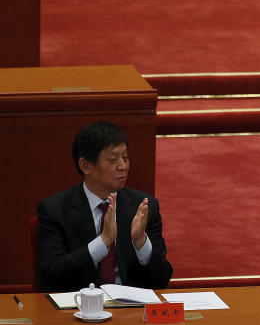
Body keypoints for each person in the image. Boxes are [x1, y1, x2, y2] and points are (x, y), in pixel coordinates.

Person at [37, 121, 173, 292]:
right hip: (78, 308)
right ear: (85, 165)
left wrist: (141, 243)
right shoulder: (54, 210)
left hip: (131, 311)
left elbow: (162, 279)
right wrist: (102, 242)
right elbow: (51, 274)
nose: (123, 166)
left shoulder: (144, 207)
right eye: (112, 160)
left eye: (125, 158)